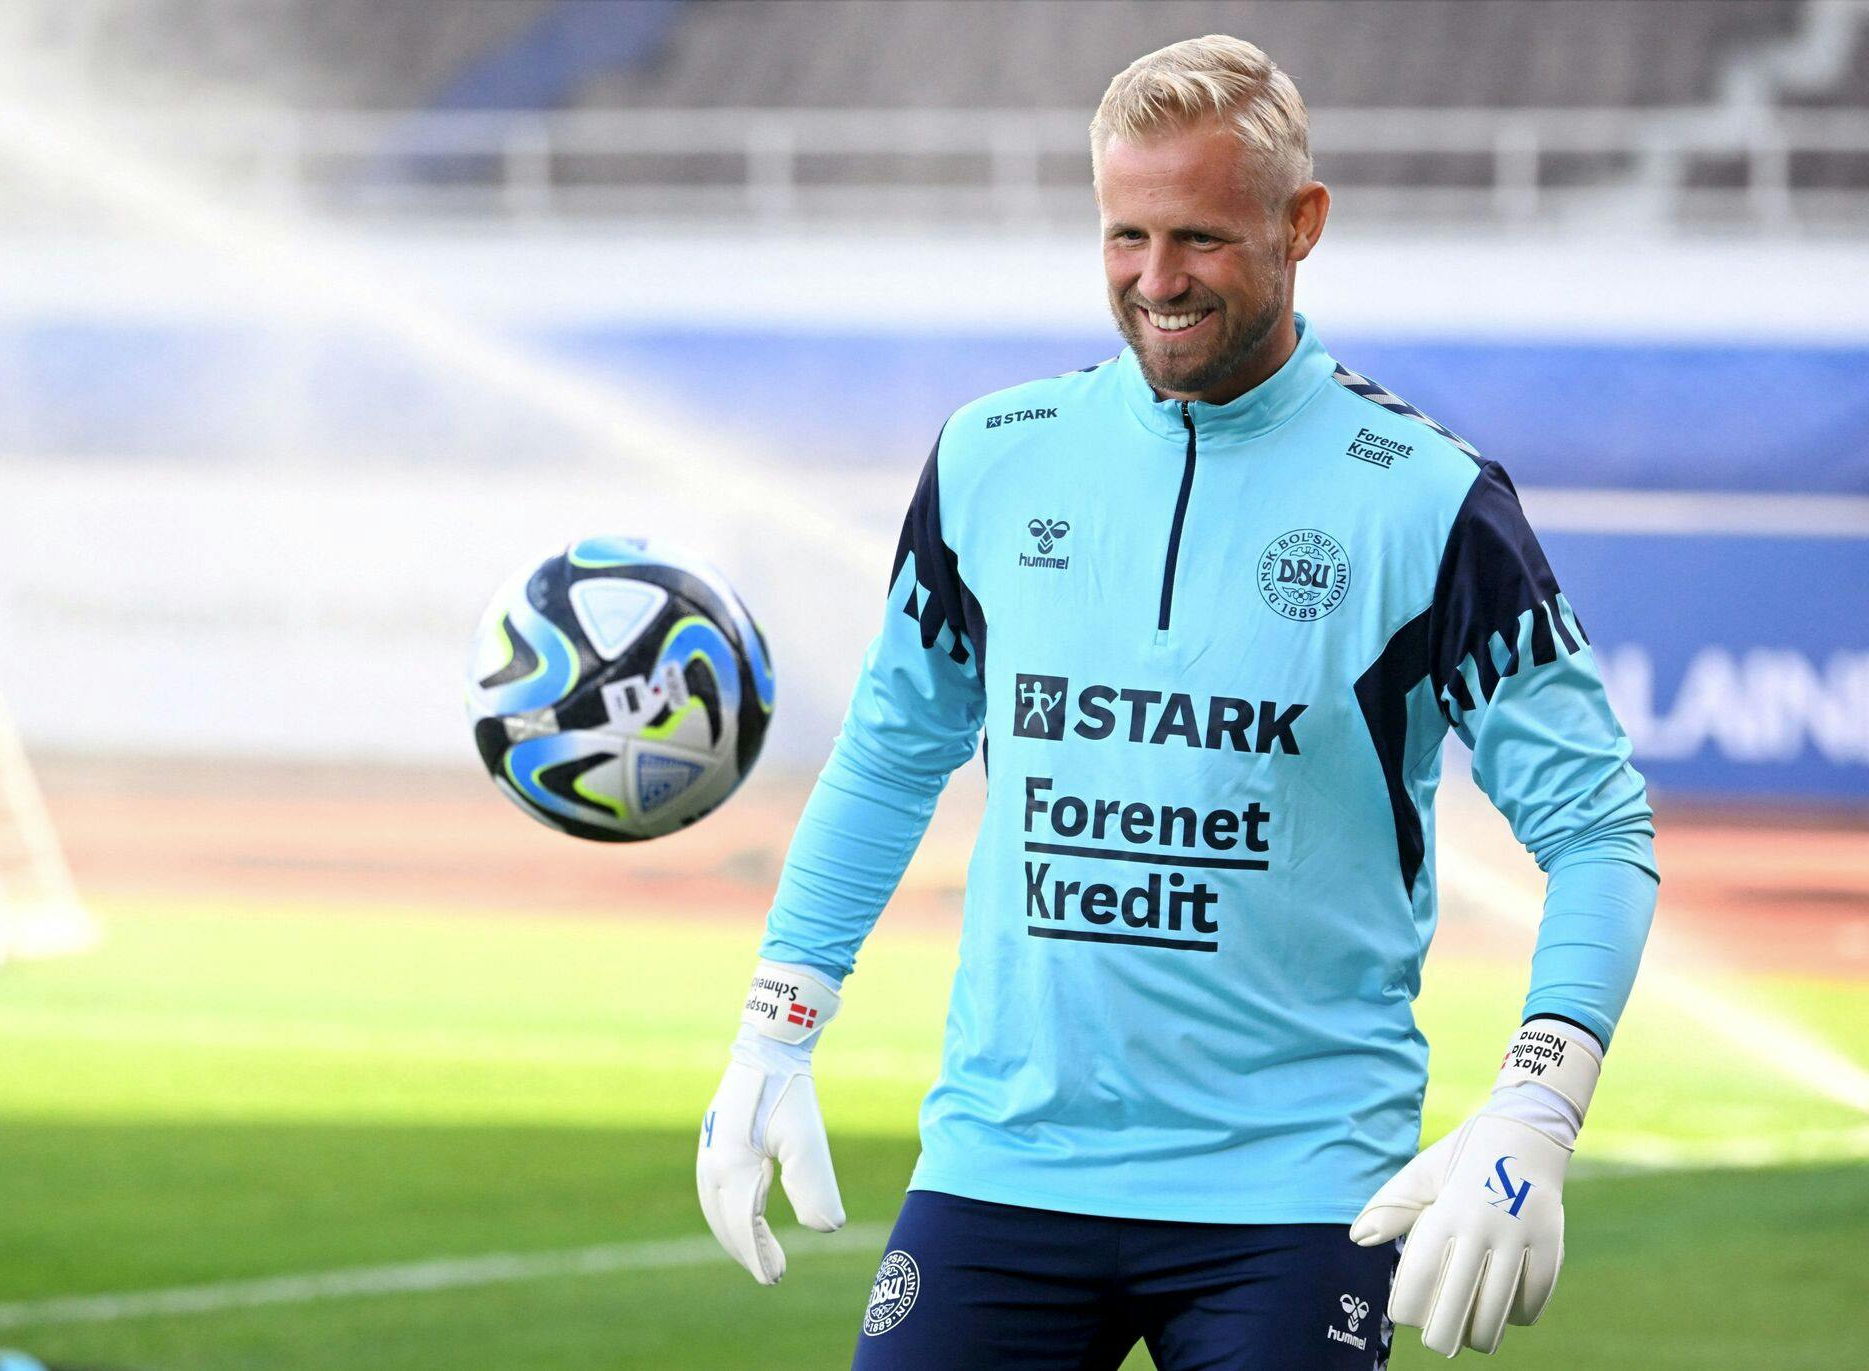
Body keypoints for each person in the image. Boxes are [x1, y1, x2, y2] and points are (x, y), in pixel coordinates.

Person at [697, 34, 1657, 1369]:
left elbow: (1600, 832)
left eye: (1199, 238)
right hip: (1005, 1159)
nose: (1157, 281)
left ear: (1302, 223)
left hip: (1299, 1191)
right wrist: (776, 1022)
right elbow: (890, 755)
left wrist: (1539, 1106)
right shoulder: (991, 459)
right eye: (1125, 236)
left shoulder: (1430, 501)